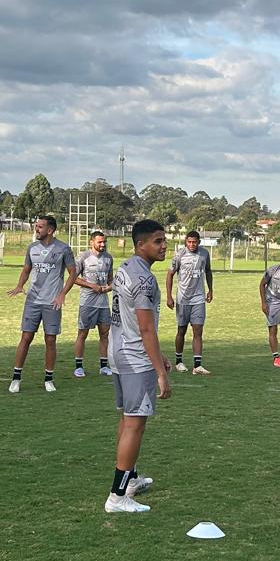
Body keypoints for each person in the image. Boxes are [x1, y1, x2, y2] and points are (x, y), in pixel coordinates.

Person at [104, 219, 171, 513]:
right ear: (140, 244)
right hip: (135, 358)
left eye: (164, 240)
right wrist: (159, 372)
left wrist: (161, 354)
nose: (164, 245)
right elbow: (145, 329)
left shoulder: (125, 269)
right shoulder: (144, 280)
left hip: (118, 352)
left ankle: (130, 479)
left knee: (126, 419)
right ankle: (117, 497)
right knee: (135, 424)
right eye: (157, 241)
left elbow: (134, 321)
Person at [7, 216, 77, 393]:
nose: (36, 229)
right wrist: (19, 285)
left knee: (50, 339)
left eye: (39, 227)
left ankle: (48, 379)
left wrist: (62, 294)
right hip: (33, 301)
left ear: (50, 230)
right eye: (35, 226)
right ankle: (16, 378)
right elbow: (26, 269)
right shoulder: (32, 248)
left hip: (52, 302)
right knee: (26, 338)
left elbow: (73, 272)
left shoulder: (63, 249)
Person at [166, 230, 214, 375]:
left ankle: (197, 365)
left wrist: (210, 290)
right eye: (189, 242)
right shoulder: (179, 255)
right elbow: (170, 274)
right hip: (183, 299)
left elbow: (208, 271)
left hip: (198, 299)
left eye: (194, 242)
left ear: (199, 242)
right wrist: (169, 296)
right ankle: (179, 361)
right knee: (181, 330)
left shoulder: (204, 254)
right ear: (186, 242)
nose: (192, 244)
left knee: (198, 330)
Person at [72, 230, 114, 378]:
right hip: (87, 302)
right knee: (82, 333)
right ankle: (78, 367)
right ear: (92, 242)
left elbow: (111, 279)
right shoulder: (84, 257)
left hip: (103, 303)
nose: (102, 244)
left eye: (104, 242)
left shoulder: (108, 258)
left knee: (104, 334)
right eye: (99, 242)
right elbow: (73, 278)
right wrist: (92, 286)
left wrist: (109, 287)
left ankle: (104, 366)